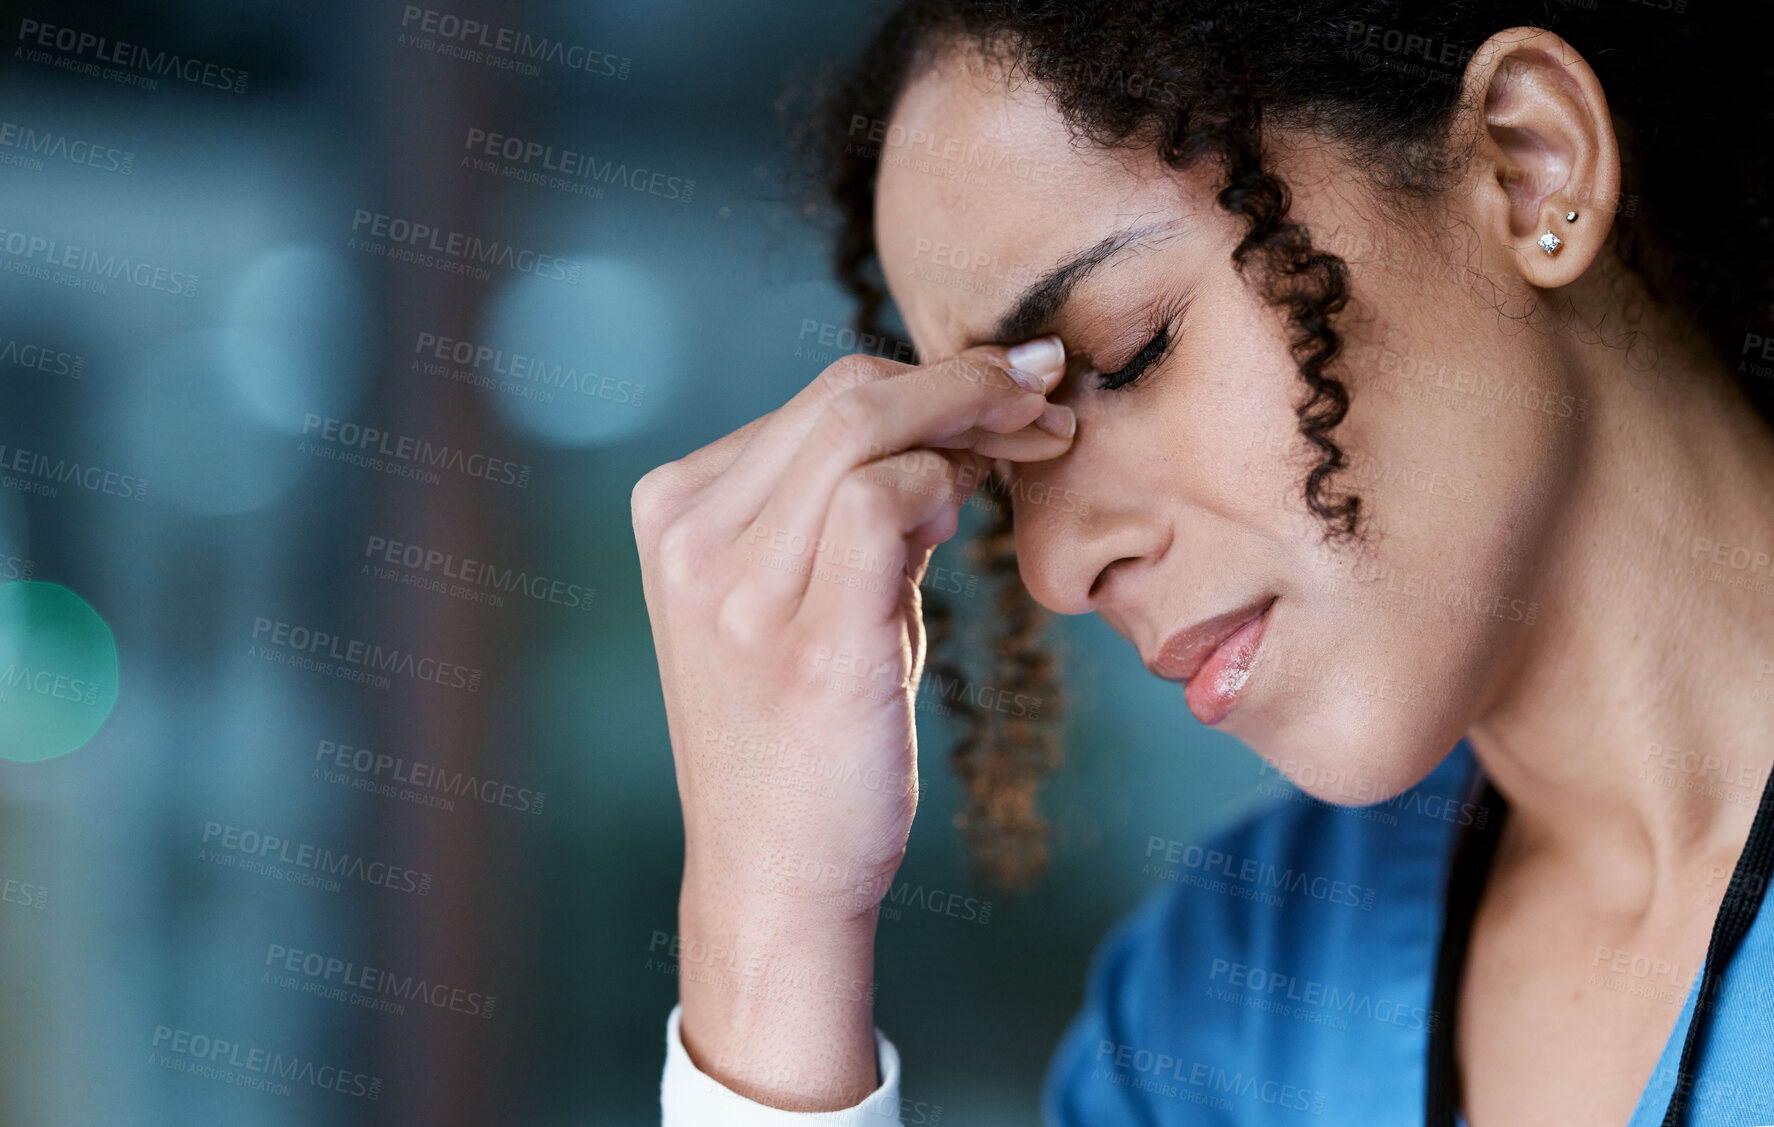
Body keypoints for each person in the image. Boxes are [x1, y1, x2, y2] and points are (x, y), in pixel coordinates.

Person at [631, 2, 1774, 1122]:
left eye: (1128, 355)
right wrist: (769, 937)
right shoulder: (1217, 1012)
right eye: (1010, 455)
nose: (1053, 568)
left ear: (1529, 167)